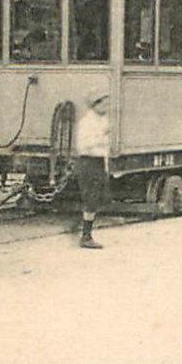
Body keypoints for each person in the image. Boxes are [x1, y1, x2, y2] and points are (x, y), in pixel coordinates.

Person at [75, 91, 113, 249]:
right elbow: (84, 146)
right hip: (89, 162)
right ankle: (86, 236)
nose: (107, 107)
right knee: (91, 199)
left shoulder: (101, 120)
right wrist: (102, 136)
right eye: (104, 104)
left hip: (98, 162)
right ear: (96, 105)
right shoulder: (87, 122)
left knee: (97, 198)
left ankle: (87, 234)